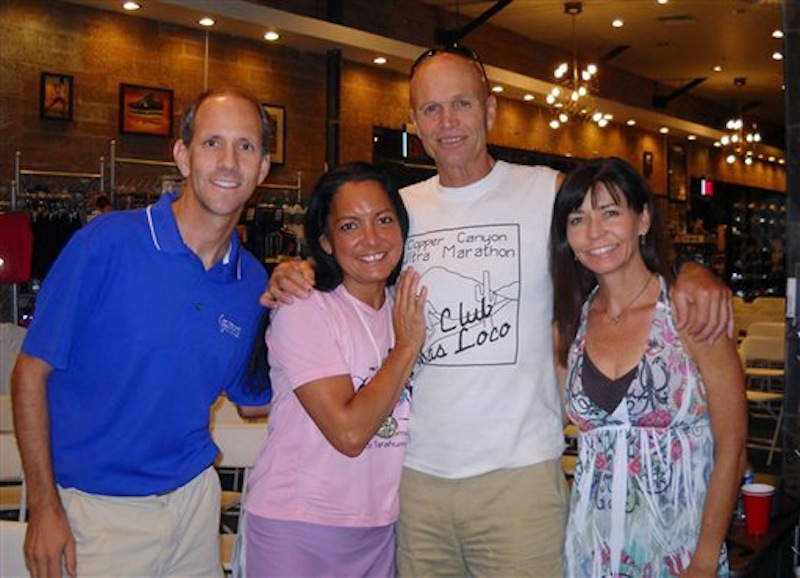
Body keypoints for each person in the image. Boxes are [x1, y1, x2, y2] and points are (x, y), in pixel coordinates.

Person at [263, 45, 733, 576]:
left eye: (461, 104)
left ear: (489, 110)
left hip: (521, 479)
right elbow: (349, 258)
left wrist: (692, 269)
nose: (448, 122)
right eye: (431, 109)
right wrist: (295, 272)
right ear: (414, 122)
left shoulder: (545, 192)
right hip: (417, 482)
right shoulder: (400, 213)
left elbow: (616, 240)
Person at [11, 87, 273, 578]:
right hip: (96, 515)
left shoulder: (252, 282)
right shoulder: (106, 243)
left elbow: (253, 400)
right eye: (212, 143)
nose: (229, 162)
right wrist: (44, 509)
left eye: (246, 146)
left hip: (195, 505)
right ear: (183, 155)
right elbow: (29, 374)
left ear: (262, 168)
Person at [550, 157, 747, 577]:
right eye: (577, 218)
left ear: (642, 220)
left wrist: (707, 557)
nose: (594, 232)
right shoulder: (569, 326)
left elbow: (732, 443)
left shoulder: (689, 313)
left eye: (610, 213)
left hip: (681, 552)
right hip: (592, 553)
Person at [243, 162, 426, 577]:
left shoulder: (405, 303)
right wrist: (407, 347)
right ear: (325, 242)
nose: (371, 239)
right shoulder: (305, 307)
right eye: (349, 226)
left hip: (379, 528)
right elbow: (348, 432)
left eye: (384, 220)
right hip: (299, 527)